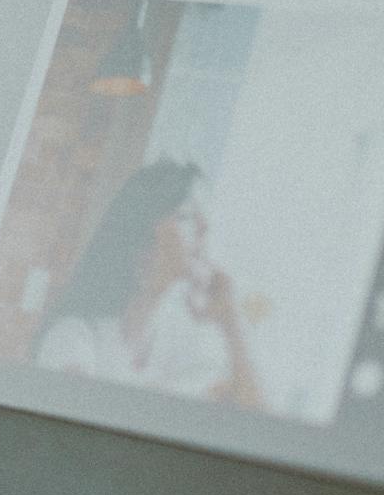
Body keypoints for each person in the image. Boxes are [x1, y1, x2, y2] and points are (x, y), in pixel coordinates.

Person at [35, 159, 264, 409]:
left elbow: (258, 424)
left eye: (204, 217)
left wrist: (230, 324)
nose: (204, 227)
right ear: (141, 235)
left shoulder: (184, 339)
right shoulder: (75, 336)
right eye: (186, 216)